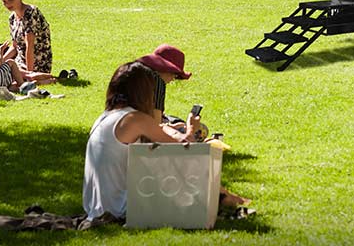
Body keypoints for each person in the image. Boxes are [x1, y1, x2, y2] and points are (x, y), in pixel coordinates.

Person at [81, 60, 248, 223]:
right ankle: (226, 199)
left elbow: (158, 135)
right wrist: (191, 127)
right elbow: (186, 147)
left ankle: (225, 197)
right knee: (182, 165)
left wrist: (167, 128)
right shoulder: (134, 119)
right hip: (121, 209)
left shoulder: (106, 117)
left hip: (97, 207)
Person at [0, 0, 57, 80]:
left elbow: (30, 46)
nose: (7, 4)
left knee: (9, 77)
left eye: (10, 0)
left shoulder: (31, 12)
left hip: (37, 61)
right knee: (1, 73)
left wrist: (30, 73)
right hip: (20, 61)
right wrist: (0, 62)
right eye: (4, 1)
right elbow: (14, 47)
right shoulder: (12, 18)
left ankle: (32, 78)